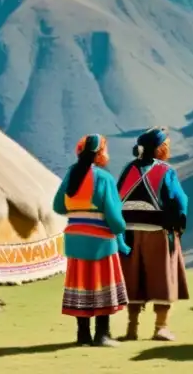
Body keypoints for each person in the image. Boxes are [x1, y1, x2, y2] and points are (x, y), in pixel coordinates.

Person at [53, 134, 130, 347]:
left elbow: (58, 206)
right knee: (101, 286)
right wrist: (121, 229)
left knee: (82, 287)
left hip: (75, 240)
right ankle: (102, 335)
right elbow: (115, 220)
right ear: (99, 153)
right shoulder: (104, 179)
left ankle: (82, 335)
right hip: (100, 242)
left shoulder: (70, 175)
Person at [116, 127, 190, 341]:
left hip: (128, 233)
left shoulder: (128, 169)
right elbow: (179, 201)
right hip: (158, 232)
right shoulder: (165, 171)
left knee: (133, 278)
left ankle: (132, 328)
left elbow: (117, 197)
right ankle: (161, 327)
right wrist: (178, 226)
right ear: (160, 148)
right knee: (162, 279)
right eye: (166, 144)